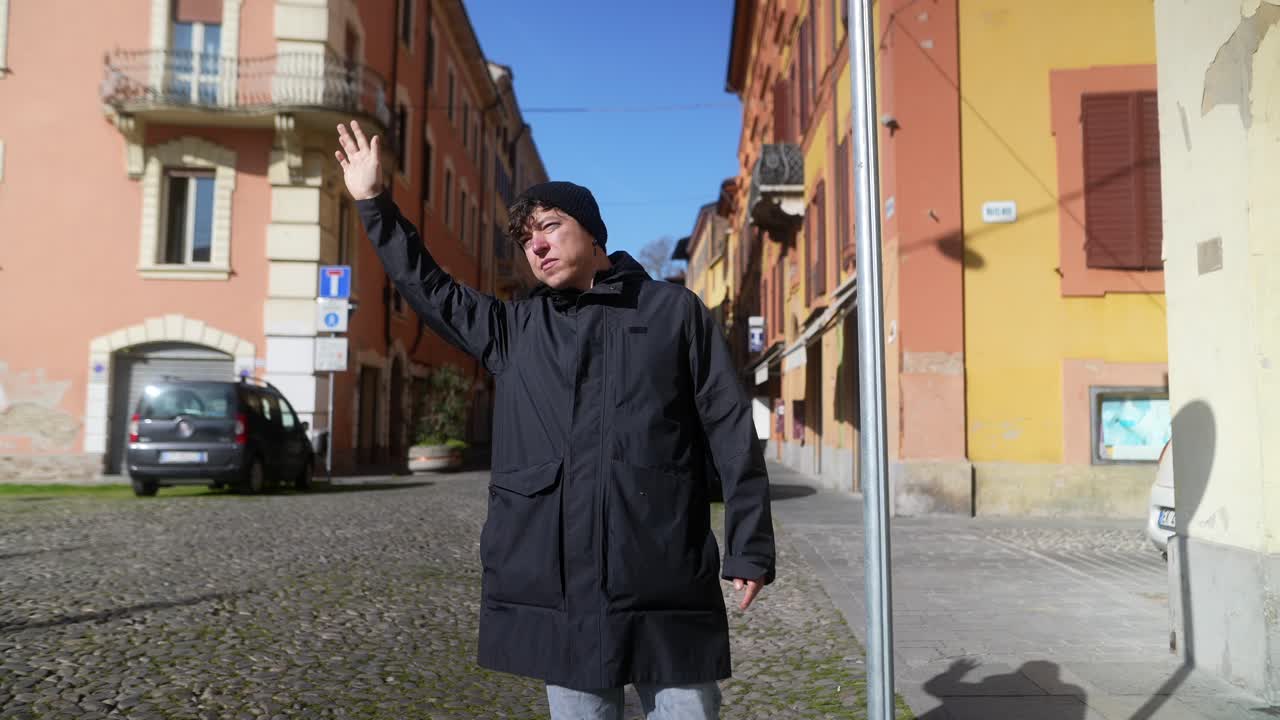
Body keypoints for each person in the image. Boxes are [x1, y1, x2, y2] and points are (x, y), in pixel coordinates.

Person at [335, 120, 775, 720]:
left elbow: (730, 427)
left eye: (549, 227)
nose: (535, 246)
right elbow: (428, 287)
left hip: (664, 576)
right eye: (526, 238)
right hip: (561, 591)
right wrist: (372, 202)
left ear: (593, 234)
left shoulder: (674, 313)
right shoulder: (514, 329)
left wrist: (749, 547)